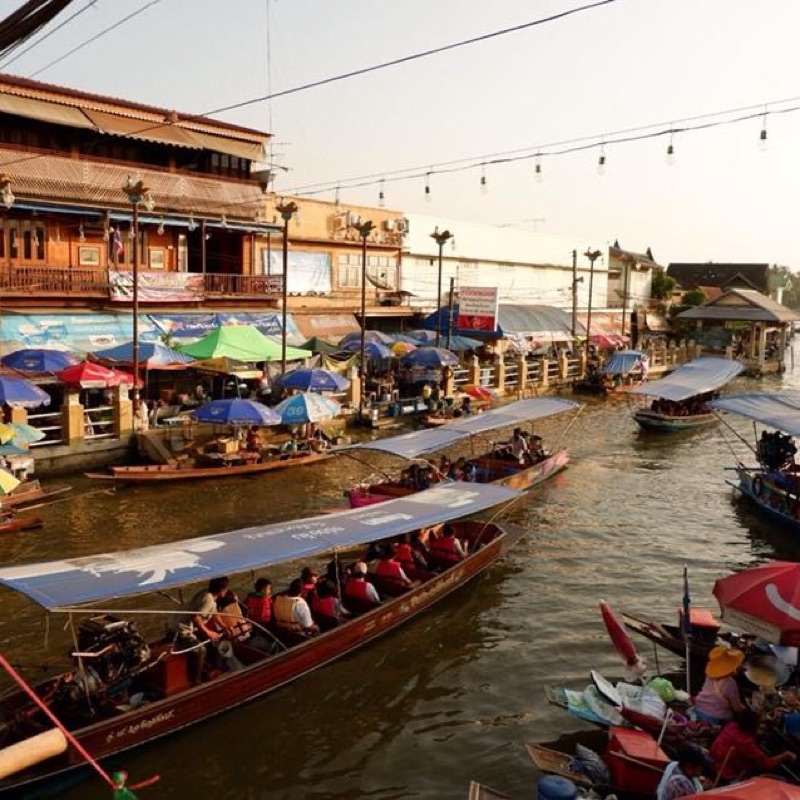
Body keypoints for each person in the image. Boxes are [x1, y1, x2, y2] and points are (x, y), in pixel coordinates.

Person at [710, 709, 796, 782]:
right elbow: (768, 764)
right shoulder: (746, 743)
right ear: (752, 726)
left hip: (714, 761)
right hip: (728, 773)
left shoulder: (731, 726)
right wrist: (786, 755)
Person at [693, 646, 746, 724]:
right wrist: (747, 709)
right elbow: (736, 707)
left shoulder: (710, 676)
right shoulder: (730, 683)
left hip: (699, 709)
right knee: (736, 720)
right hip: (716, 717)